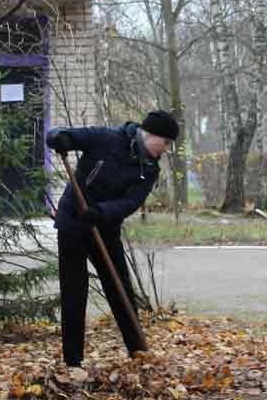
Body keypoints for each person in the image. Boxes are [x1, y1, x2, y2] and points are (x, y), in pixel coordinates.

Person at [46, 110, 177, 367]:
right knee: (74, 292)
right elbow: (66, 137)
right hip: (73, 222)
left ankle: (137, 351)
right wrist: (59, 138)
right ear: (151, 135)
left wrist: (100, 212)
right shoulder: (108, 138)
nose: (166, 150)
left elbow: (130, 202)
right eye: (166, 143)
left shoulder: (149, 169)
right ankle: (73, 361)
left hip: (104, 227)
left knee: (120, 289)